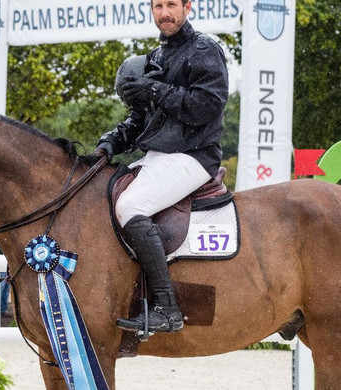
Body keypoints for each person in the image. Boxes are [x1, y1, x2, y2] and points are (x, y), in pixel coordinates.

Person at [93, 0, 229, 333]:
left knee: (131, 205)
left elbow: (206, 106)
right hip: (158, 156)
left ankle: (167, 308)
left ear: (188, 7)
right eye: (157, 6)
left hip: (195, 155)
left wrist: (154, 88)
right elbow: (139, 121)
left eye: (171, 5)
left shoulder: (205, 49)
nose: (164, 13)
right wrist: (111, 142)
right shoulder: (152, 59)